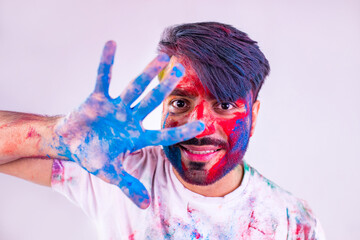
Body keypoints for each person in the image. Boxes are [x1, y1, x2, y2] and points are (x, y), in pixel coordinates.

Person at [0, 22, 325, 239]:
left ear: (253, 113)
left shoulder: (294, 223)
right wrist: (56, 136)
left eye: (224, 105)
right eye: (181, 103)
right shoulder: (112, 167)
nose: (199, 128)